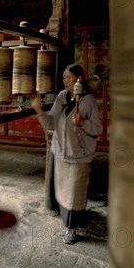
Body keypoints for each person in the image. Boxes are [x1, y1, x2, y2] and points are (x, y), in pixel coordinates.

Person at [31, 63, 102, 244]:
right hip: (60, 152)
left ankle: (72, 230)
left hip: (79, 155)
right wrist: (38, 108)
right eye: (64, 78)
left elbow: (97, 129)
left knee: (74, 194)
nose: (65, 81)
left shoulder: (88, 101)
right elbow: (50, 123)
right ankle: (69, 221)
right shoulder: (62, 97)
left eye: (68, 77)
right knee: (62, 190)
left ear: (78, 79)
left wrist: (83, 123)